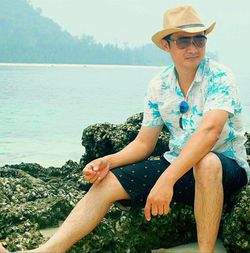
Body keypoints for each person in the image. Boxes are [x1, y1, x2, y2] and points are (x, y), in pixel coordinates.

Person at [1, 5, 249, 253]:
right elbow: (144, 144)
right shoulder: (159, 85)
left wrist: (167, 180)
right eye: (184, 41)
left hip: (226, 167)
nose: (193, 48)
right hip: (179, 165)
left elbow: (210, 133)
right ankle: (48, 250)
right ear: (166, 45)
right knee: (106, 181)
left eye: (199, 39)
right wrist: (108, 161)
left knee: (206, 162)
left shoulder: (220, 77)